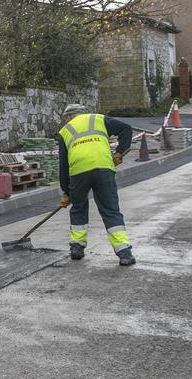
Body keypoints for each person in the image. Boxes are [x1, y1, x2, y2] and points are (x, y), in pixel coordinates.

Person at [58, 104, 135, 266]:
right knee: (110, 209)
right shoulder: (98, 119)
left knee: (78, 207)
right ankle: (124, 252)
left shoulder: (65, 131)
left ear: (70, 116)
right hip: (103, 168)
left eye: (66, 118)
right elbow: (126, 129)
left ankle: (77, 248)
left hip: (78, 172)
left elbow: (63, 166)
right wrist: (120, 152)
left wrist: (66, 192)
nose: (65, 121)